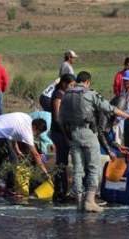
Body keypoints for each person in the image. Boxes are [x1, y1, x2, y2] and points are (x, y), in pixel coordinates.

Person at [60, 71, 129, 212]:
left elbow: (61, 118)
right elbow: (109, 108)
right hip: (88, 133)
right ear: (88, 81)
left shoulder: (67, 94)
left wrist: (68, 135)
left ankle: (78, 203)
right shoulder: (89, 93)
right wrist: (128, 116)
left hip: (73, 134)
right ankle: (89, 201)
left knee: (78, 169)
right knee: (93, 167)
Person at [0, 112, 51, 194]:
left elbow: (14, 131)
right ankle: (10, 188)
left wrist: (16, 148)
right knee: (14, 160)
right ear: (34, 127)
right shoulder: (27, 132)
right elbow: (36, 155)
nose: (36, 136)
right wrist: (46, 173)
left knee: (1, 157)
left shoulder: (27, 118)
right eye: (37, 133)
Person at [50, 74, 76, 203]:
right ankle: (61, 191)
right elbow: (57, 118)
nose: (72, 88)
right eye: (71, 85)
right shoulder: (58, 95)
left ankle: (61, 190)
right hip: (59, 133)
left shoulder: (63, 94)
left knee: (62, 162)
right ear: (64, 84)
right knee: (61, 163)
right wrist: (66, 134)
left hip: (63, 133)